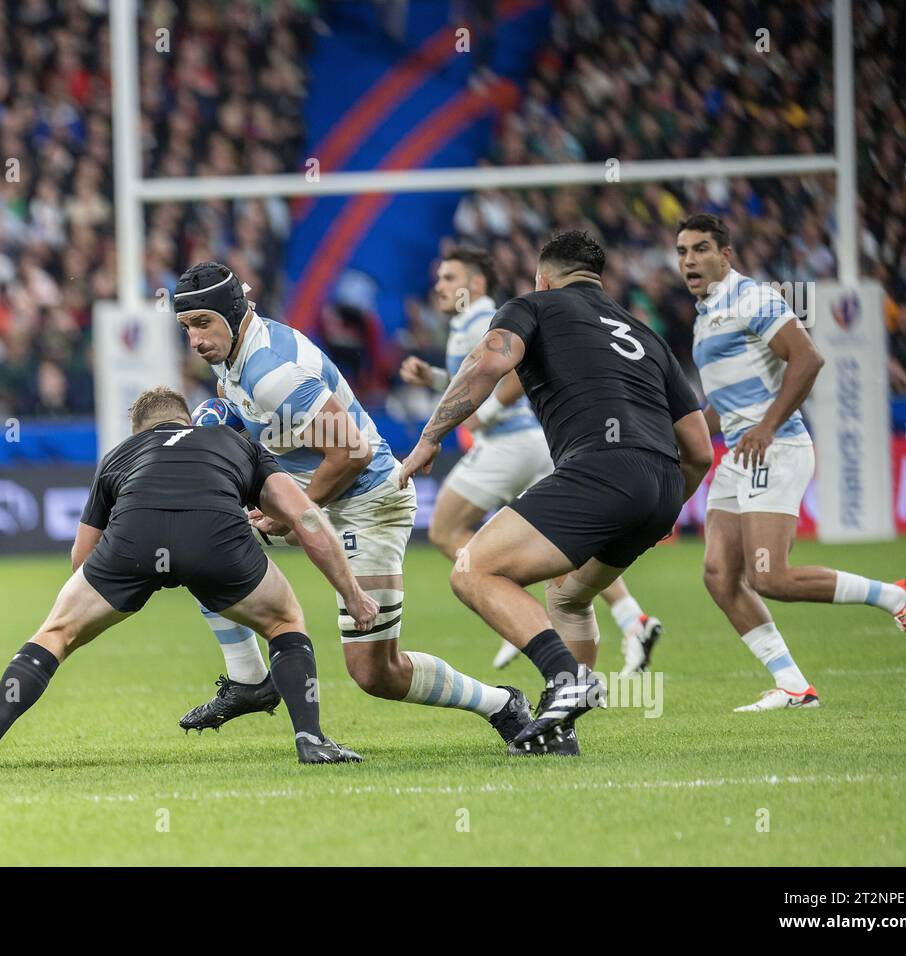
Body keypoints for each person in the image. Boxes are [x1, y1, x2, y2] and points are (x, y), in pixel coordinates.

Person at [174, 261, 535, 750]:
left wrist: (290, 513)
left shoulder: (271, 371)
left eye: (202, 324)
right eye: (186, 327)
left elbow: (352, 451)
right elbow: (256, 415)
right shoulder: (235, 352)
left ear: (234, 312)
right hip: (314, 497)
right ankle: (248, 680)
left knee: (374, 673)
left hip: (368, 503)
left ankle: (500, 703)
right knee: (195, 543)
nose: (194, 340)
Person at [400, 231, 714, 755]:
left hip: (600, 469)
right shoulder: (645, 333)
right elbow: (700, 450)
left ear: (543, 278)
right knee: (568, 595)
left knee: (474, 568)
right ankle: (561, 729)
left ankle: (567, 679)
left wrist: (429, 438)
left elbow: (487, 366)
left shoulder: (533, 306)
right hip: (663, 486)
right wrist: (660, 511)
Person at [0, 387, 374, 772]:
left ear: (139, 431)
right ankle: (312, 741)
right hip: (216, 537)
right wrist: (352, 594)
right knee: (284, 621)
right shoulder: (233, 441)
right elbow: (304, 516)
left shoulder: (121, 454)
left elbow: (81, 555)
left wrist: (109, 593)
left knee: (55, 634)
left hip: (134, 540)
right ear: (187, 420)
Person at [677, 213, 906, 711]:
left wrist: (768, 425)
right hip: (740, 453)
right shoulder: (705, 314)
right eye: (683, 251)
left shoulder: (750, 297)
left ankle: (897, 595)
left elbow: (809, 357)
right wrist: (672, 436)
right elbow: (722, 408)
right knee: (718, 575)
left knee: (770, 576)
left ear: (726, 255)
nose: (690, 259)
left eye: (701, 248)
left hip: (775, 447)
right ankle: (795, 686)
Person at [399, 245, 665, 673]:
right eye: (439, 278)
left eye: (449, 278)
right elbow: (470, 379)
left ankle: (519, 617)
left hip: (510, 445)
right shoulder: (471, 320)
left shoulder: (491, 316)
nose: (439, 286)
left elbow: (509, 378)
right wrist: (432, 379)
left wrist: (478, 415)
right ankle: (631, 618)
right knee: (562, 546)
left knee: (448, 529)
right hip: (541, 444)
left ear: (477, 283)